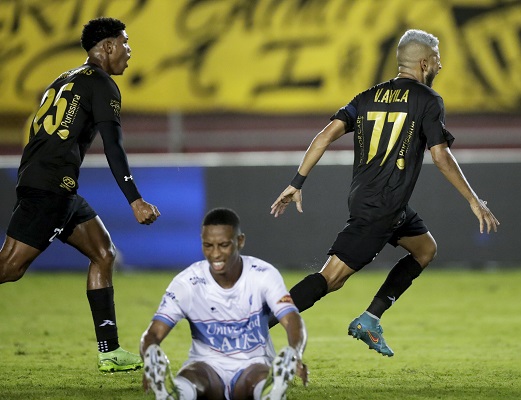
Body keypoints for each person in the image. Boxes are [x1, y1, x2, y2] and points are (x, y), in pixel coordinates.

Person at [269, 29, 499, 357]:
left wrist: (297, 181)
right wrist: (473, 200)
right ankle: (258, 325)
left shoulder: (366, 97)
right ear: (424, 62)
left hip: (376, 200)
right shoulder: (428, 100)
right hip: (383, 207)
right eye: (437, 59)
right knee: (331, 278)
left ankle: (370, 318)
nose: (440, 65)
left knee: (425, 249)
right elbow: (440, 155)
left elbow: (322, 137)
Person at [0, 17, 161, 372]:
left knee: (103, 252)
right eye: (125, 43)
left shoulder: (64, 79)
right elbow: (114, 147)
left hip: (50, 183)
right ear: (106, 47)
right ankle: (109, 351)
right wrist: (135, 198)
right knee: (9, 268)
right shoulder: (102, 85)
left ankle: (109, 351)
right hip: (51, 187)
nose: (129, 52)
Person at [140, 208, 308, 400]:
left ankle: (270, 391)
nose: (215, 254)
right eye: (208, 246)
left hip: (252, 364)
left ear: (240, 241)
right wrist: (149, 356)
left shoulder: (263, 275)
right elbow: (153, 333)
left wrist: (295, 353)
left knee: (256, 376)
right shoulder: (187, 283)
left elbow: (292, 320)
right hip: (206, 364)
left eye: (223, 245)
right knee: (194, 376)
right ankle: (174, 392)